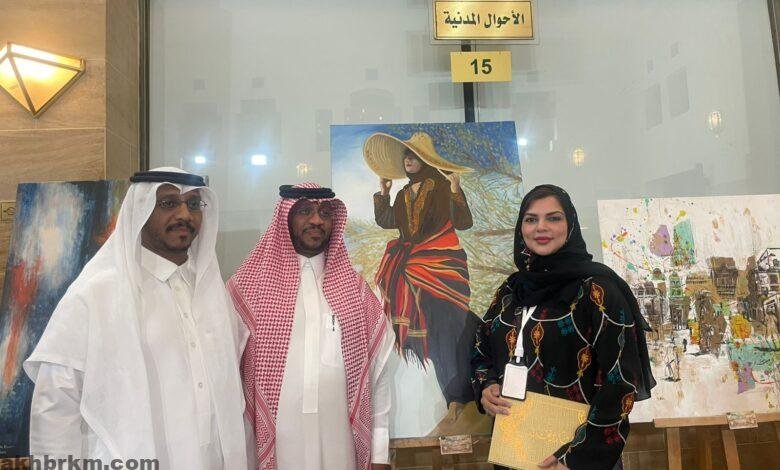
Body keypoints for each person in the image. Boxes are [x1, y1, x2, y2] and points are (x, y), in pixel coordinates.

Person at [24, 168, 249, 469]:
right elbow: (55, 404)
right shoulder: (98, 293)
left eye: (194, 204)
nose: (185, 214)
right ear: (141, 210)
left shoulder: (213, 294)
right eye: (168, 203)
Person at [471, 184, 655, 470]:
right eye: (531, 219)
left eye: (554, 218)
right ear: (521, 228)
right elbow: (481, 348)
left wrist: (577, 458)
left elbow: (622, 381)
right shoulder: (511, 291)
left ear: (570, 226)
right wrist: (487, 385)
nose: (541, 227)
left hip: (576, 457)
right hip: (516, 449)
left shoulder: (597, 290)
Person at [228, 183, 394, 470]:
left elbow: (379, 376)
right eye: (305, 211)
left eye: (325, 213)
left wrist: (379, 454)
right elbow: (227, 377)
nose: (317, 220)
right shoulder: (247, 289)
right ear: (286, 218)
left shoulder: (355, 292)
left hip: (339, 440)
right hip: (275, 441)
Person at [364, 131, 480, 405]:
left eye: (414, 156)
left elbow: (464, 222)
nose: (408, 160)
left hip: (439, 264)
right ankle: (454, 397)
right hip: (408, 266)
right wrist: (384, 193)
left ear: (425, 160)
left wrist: (455, 189)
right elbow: (388, 220)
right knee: (429, 327)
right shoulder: (403, 193)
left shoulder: (440, 187)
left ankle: (460, 393)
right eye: (406, 156)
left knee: (447, 323)